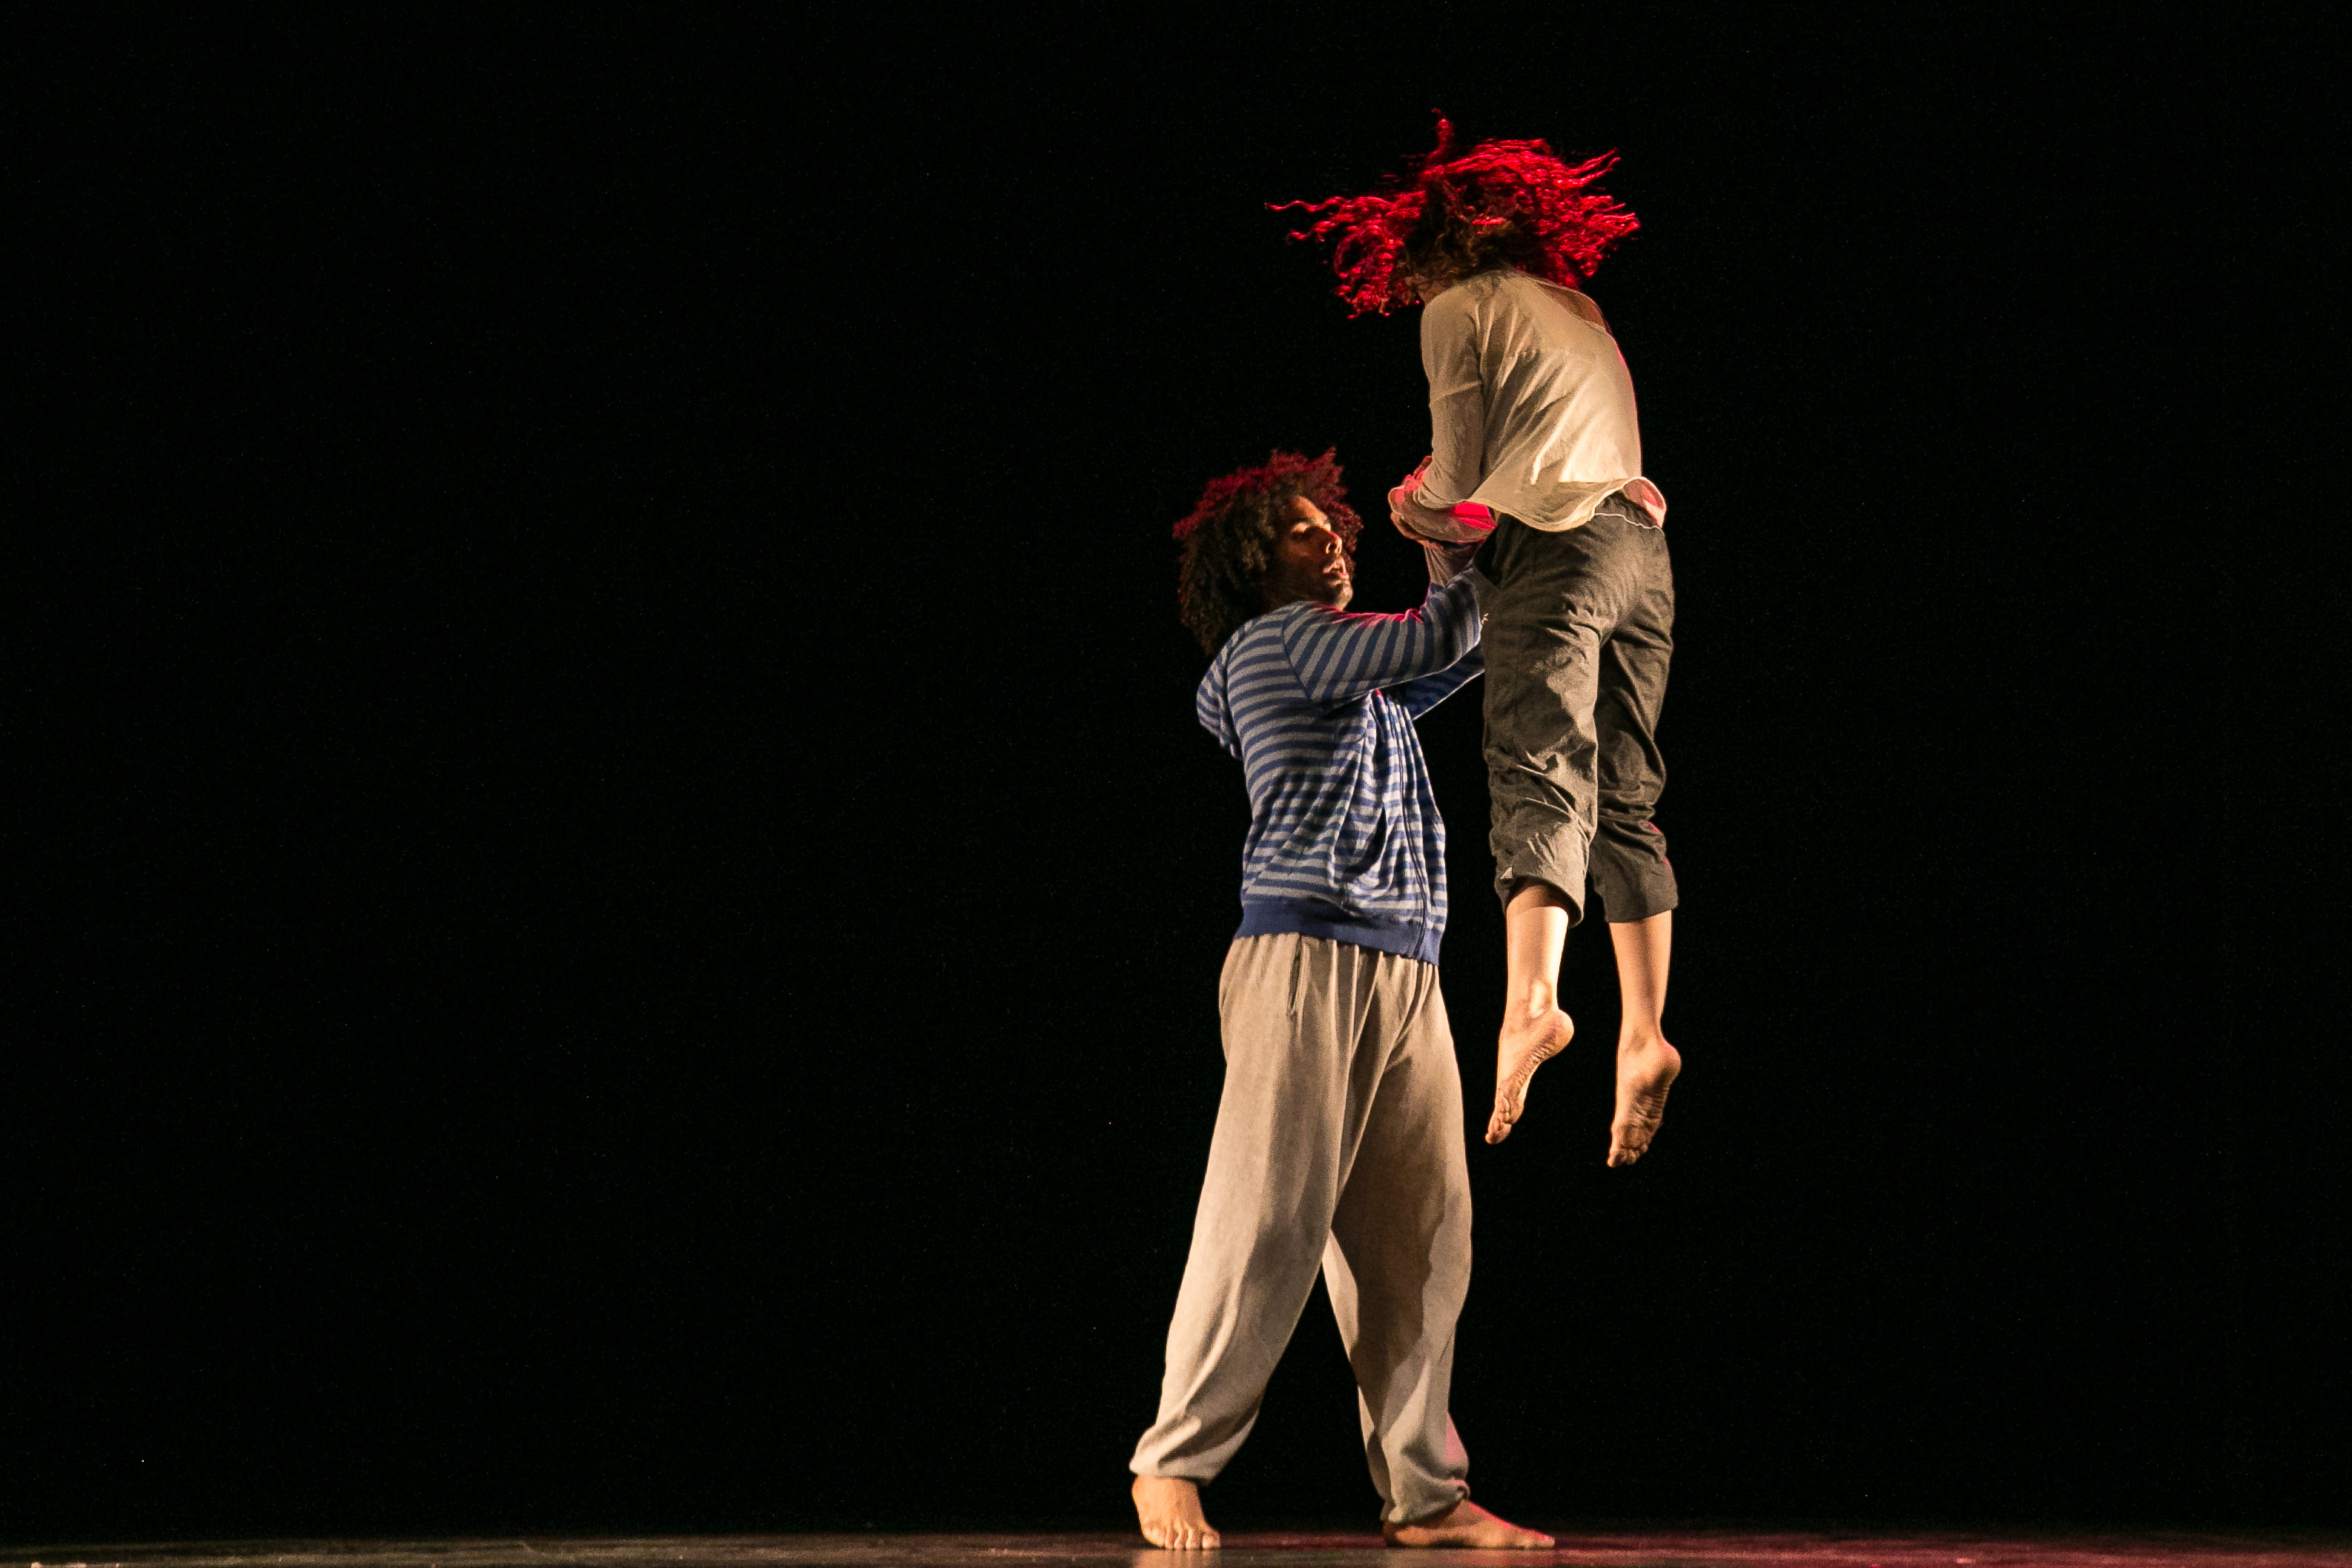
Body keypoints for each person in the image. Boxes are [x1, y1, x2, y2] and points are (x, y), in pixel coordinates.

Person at [1129, 449, 1550, 1552]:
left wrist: (1499, 568)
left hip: (1404, 964)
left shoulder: (1339, 671)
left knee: (1421, 1240)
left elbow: (1459, 654)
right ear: (1252, 562)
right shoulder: (1281, 643)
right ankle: (1170, 1462)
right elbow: (1438, 636)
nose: (1331, 543)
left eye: (1336, 530)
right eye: (1303, 532)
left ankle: (1426, 1495)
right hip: (1306, 957)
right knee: (1266, 1218)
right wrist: (1458, 536)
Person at [1281, 121, 1682, 1164]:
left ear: (1429, 249)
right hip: (1643, 551)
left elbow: (1460, 482)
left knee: (1534, 762)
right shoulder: (1576, 306)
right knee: (1625, 793)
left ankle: (1532, 1004)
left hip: (1560, 548)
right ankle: (1644, 1032)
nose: (1410, 291)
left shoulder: (1459, 309)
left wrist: (1411, 507)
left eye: (1409, 274)